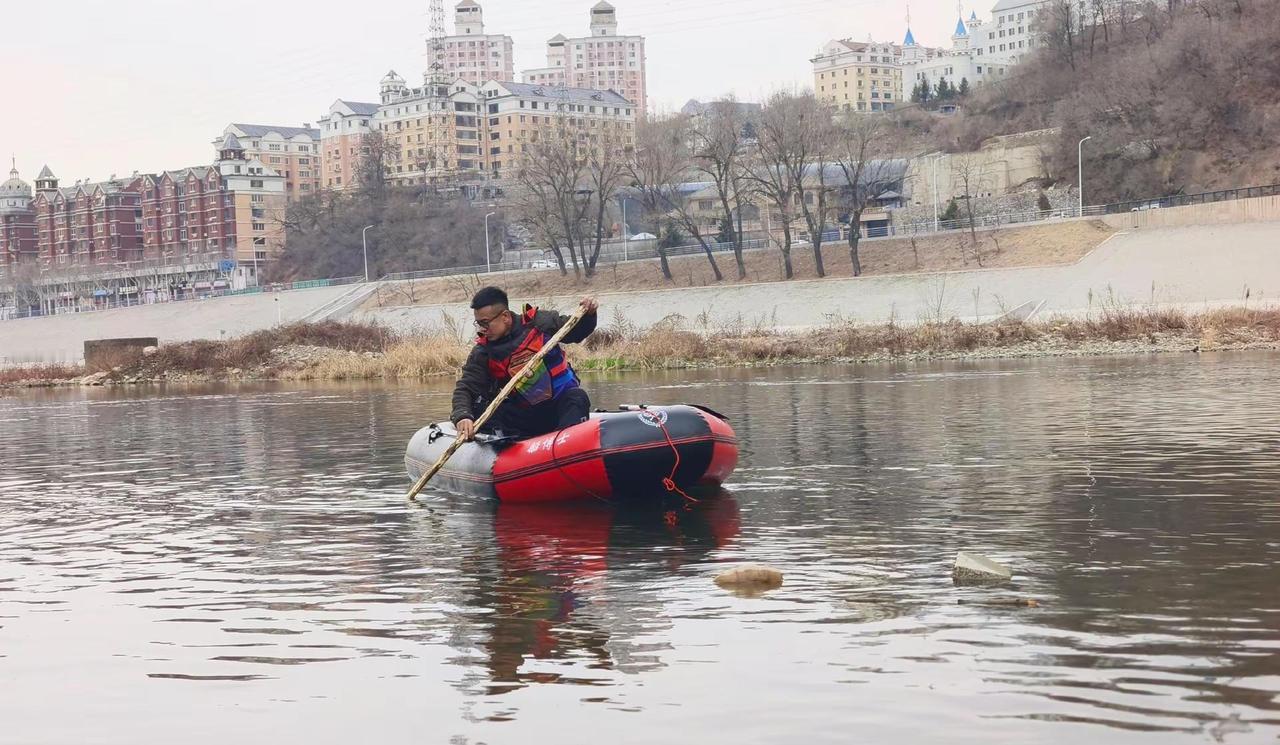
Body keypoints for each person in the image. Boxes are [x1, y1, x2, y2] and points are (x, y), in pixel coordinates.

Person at [451, 286, 599, 440]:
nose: (482, 330)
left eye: (485, 323)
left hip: (560, 405)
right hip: (526, 416)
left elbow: (576, 331)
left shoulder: (539, 323)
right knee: (480, 410)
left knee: (577, 396)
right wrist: (462, 416)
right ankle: (509, 450)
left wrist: (589, 314)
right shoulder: (483, 352)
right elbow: (466, 387)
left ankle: (567, 444)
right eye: (479, 324)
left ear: (505, 316)